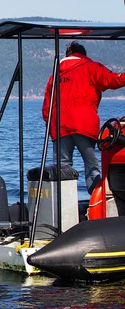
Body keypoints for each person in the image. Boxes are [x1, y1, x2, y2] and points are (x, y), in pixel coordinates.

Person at [42, 41, 125, 194]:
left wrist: (50, 124)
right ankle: (96, 202)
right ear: (83, 54)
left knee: (62, 168)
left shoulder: (55, 75)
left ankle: (62, 206)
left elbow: (47, 107)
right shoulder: (91, 68)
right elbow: (112, 80)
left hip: (59, 126)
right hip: (83, 125)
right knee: (91, 165)